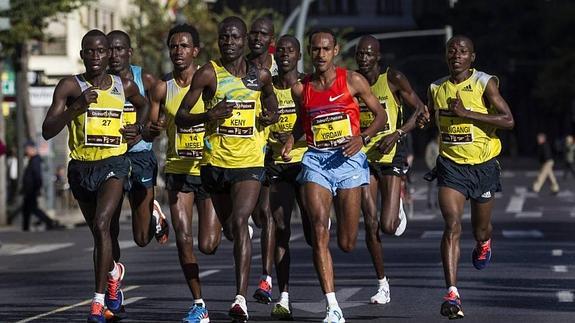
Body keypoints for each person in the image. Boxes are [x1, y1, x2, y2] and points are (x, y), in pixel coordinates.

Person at [175, 16, 279, 322]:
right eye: (224, 38)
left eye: (234, 38)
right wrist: (209, 115)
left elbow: (271, 101)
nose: (229, 43)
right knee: (219, 238)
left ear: (245, 40)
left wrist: (270, 114)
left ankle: (239, 299)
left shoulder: (260, 75)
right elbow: (181, 117)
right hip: (215, 165)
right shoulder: (209, 73)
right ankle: (240, 231)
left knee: (241, 218)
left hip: (249, 163)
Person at [42, 29, 150, 323]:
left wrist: (138, 129)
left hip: (113, 164)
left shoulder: (122, 84)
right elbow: (48, 129)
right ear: (82, 55)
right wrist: (76, 108)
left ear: (109, 54)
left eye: (101, 51)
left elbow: (144, 105)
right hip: (81, 168)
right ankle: (114, 272)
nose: (96, 57)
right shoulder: (69, 86)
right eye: (89, 52)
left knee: (103, 224)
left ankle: (97, 302)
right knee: (97, 231)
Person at [281, 29, 386, 323]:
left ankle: (330, 216)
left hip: (349, 161)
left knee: (347, 242)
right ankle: (333, 306)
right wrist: (292, 138)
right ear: (310, 52)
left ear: (335, 50)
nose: (320, 55)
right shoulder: (301, 89)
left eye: (326, 49)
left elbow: (381, 117)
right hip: (316, 161)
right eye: (315, 50)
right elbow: (305, 121)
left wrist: (363, 138)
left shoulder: (352, 80)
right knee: (318, 231)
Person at [417, 35, 514, 319]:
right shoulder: (436, 87)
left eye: (462, 52)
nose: (456, 55)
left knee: (480, 230)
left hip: (483, 166)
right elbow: (427, 116)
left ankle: (484, 243)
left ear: (472, 57)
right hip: (451, 167)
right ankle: (452, 292)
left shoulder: (485, 83)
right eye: (451, 51)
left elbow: (509, 120)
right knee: (452, 225)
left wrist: (468, 113)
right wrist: (421, 121)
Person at [149, 23, 221, 323]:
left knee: (209, 244)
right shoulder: (163, 88)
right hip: (179, 170)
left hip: (209, 170)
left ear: (196, 51)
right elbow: (151, 129)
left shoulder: (212, 82)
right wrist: (150, 129)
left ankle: (237, 220)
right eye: (173, 46)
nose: (178, 51)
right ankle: (199, 303)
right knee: (184, 239)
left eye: (184, 46)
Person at [354, 35, 426, 304]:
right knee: (370, 223)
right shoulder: (352, 81)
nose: (363, 58)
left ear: (378, 57)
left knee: (388, 225)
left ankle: (397, 208)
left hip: (391, 153)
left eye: (368, 54)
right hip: (363, 157)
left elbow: (420, 109)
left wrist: (397, 133)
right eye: (360, 53)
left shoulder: (393, 78)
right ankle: (382, 284)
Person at [106, 30, 170, 248]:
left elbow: (165, 103)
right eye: (110, 50)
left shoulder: (145, 78)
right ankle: (113, 274)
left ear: (129, 52)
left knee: (142, 239)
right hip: (112, 157)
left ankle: (152, 212)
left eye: (119, 49)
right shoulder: (100, 81)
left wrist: (154, 124)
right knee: (107, 224)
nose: (114, 55)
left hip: (140, 155)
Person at [246, 16, 279, 306]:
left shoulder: (281, 66)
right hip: (243, 150)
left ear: (272, 38)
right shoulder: (238, 66)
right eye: (253, 33)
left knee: (267, 213)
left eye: (263, 33)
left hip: (273, 149)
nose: (257, 37)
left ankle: (266, 278)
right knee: (254, 216)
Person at [21, 140, 57, 231]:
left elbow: (37, 176)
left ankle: (49, 222)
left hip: (32, 189)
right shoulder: (32, 160)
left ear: (31, 149)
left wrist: (37, 188)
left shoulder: (35, 160)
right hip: (29, 189)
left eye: (26, 149)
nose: (25, 151)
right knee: (28, 209)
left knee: (33, 209)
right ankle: (26, 227)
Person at [424, 134, 440, 209]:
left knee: (439, 187)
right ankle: (430, 202)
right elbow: (428, 157)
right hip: (433, 168)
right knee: (432, 187)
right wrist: (431, 167)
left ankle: (438, 202)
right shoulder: (431, 145)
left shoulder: (442, 145)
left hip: (442, 169)